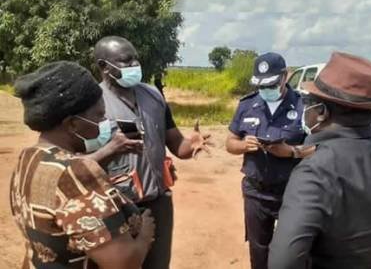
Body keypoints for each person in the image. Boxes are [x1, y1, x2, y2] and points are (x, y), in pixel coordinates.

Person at [268, 52, 371, 269]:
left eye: (308, 102)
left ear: (321, 112)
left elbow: (283, 263)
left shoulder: (314, 172)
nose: (305, 109)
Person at [10, 61, 155, 269]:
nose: (104, 120)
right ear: (72, 124)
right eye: (98, 114)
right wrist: (145, 235)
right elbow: (124, 263)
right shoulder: (75, 174)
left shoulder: (30, 157)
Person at [93, 36, 212, 269]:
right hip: (115, 208)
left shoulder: (154, 96)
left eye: (135, 59)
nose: (134, 65)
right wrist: (110, 149)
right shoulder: (91, 104)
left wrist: (191, 145)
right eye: (125, 61)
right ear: (103, 67)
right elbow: (76, 162)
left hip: (158, 205)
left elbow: (176, 143)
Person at [225, 52, 312, 269]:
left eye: (271, 84)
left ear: (285, 76)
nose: (265, 90)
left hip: (291, 192)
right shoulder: (247, 105)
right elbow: (230, 142)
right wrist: (243, 145)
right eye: (261, 86)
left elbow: (317, 148)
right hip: (256, 193)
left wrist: (291, 152)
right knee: (259, 249)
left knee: (292, 252)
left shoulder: (303, 106)